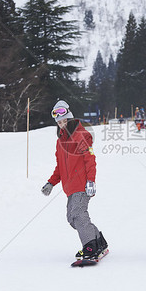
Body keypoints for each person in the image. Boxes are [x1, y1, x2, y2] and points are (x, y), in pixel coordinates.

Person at [41, 100, 108, 261]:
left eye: (65, 121)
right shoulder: (60, 142)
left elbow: (90, 160)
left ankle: (90, 246)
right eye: (59, 122)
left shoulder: (82, 135)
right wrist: (51, 182)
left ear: (70, 119)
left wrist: (91, 181)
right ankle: (99, 241)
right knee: (72, 219)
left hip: (82, 185)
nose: (62, 124)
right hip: (69, 187)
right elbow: (60, 168)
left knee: (78, 214)